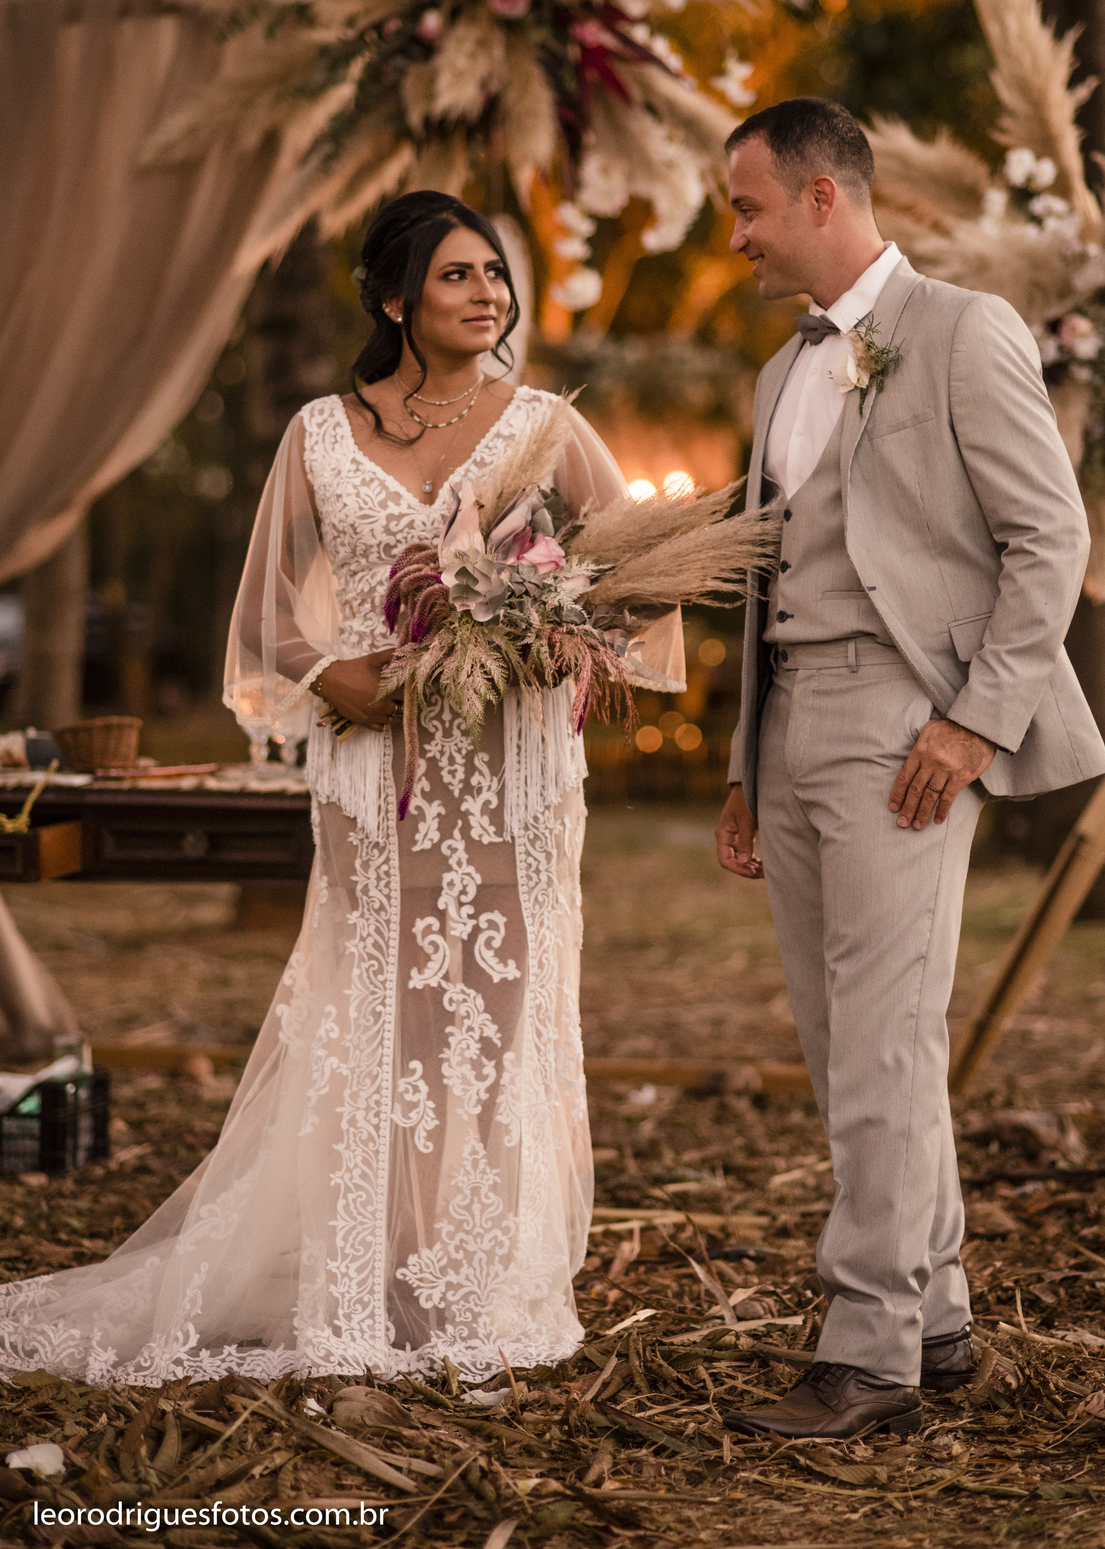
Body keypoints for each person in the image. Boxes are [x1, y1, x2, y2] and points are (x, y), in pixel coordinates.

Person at [0, 192, 684, 1386]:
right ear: (393, 299)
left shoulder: (547, 425)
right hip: (374, 771)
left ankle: (473, 1273)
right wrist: (334, 674)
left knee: (497, 1012)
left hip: (511, 772)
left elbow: (646, 578)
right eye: (460, 275)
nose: (488, 294)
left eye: (495, 275)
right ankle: (371, 1265)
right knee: (380, 1008)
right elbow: (268, 613)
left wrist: (552, 635)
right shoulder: (319, 432)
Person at [714, 100, 1105, 1441]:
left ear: (822, 195)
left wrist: (976, 720)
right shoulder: (777, 376)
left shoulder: (962, 329)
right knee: (846, 1049)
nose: (737, 236)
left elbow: (1050, 538)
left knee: (886, 1038)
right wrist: (745, 761)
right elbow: (765, 575)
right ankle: (935, 1318)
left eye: (749, 208)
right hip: (791, 725)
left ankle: (868, 1350)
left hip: (904, 724)